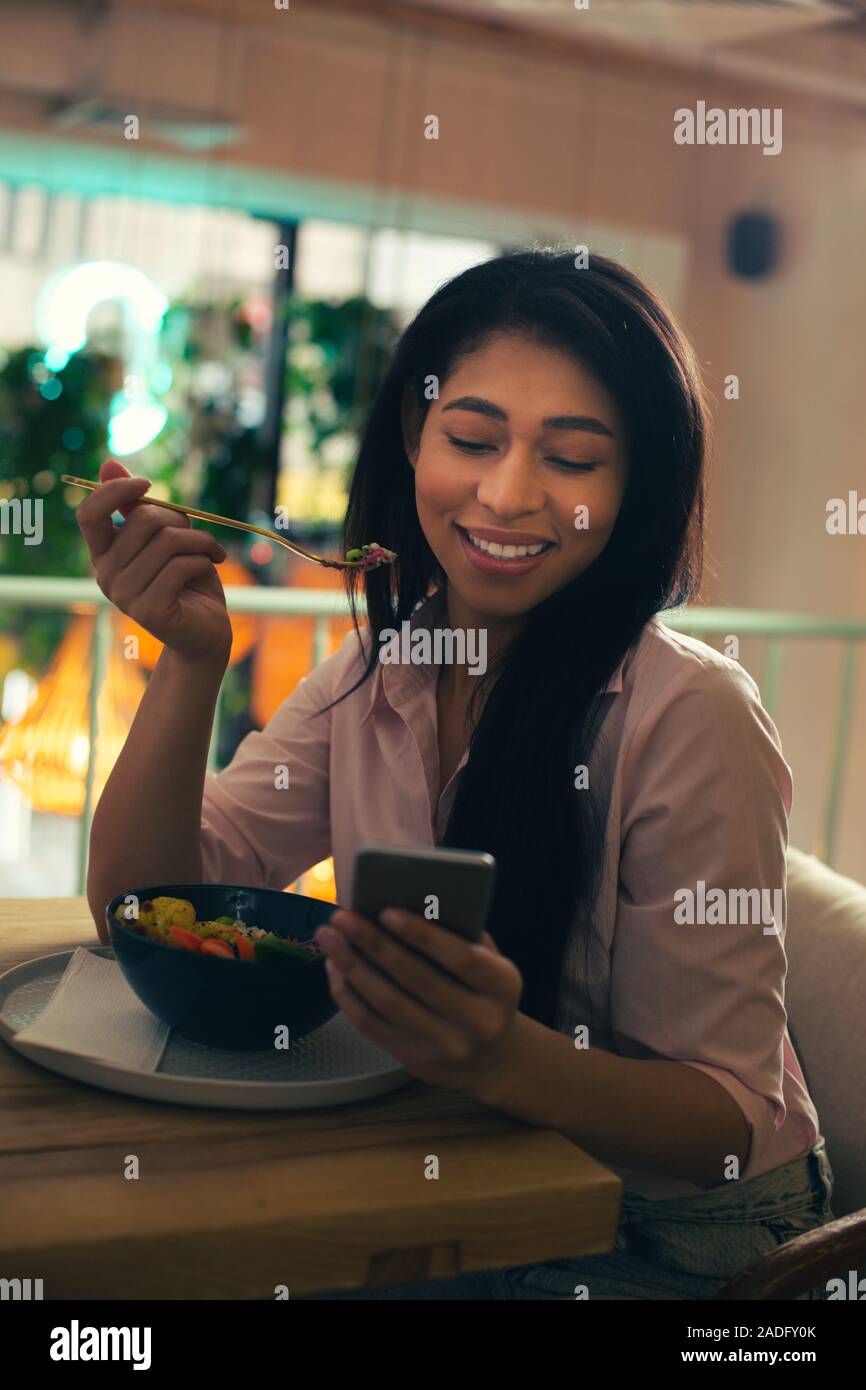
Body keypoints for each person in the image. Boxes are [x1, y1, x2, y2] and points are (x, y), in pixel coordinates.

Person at [79, 248, 833, 1300]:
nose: (508, 493)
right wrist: (190, 662)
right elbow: (143, 904)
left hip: (682, 1237)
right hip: (472, 1158)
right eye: (471, 439)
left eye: (572, 459)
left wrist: (497, 1057)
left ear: (634, 487)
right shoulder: (381, 672)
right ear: (412, 439)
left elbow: (720, 1122)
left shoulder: (685, 714)